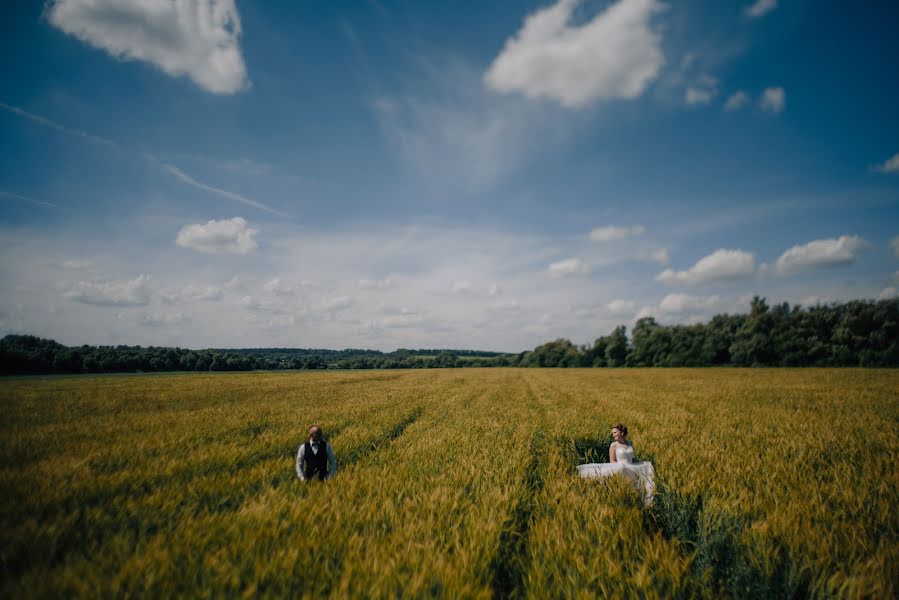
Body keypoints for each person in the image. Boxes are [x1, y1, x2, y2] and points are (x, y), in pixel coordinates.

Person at [576, 423, 655, 506]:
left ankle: (639, 502)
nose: (613, 435)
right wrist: (621, 467)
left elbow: (632, 458)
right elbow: (612, 461)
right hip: (621, 468)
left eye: (615, 432)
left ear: (622, 432)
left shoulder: (629, 443)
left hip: (632, 466)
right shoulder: (613, 445)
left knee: (646, 469)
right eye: (613, 433)